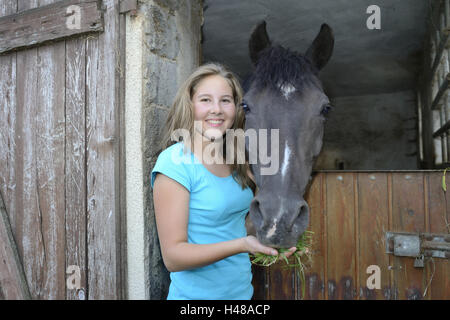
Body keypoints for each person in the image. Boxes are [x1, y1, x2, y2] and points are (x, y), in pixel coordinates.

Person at [151, 63, 296, 300]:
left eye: (226, 100)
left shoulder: (237, 160)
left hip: (241, 294)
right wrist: (242, 245)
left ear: (237, 108)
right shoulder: (175, 163)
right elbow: (174, 257)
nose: (216, 109)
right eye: (206, 100)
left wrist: (270, 236)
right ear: (190, 105)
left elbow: (236, 225)